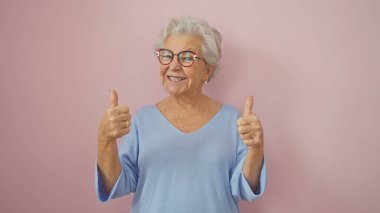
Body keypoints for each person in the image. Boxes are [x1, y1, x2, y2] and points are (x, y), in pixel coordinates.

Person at [95, 16, 266, 213]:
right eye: (167, 55)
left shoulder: (234, 121)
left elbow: (246, 188)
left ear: (207, 71)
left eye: (186, 57)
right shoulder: (142, 120)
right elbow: (114, 184)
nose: (173, 65)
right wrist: (105, 139)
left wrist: (256, 150)